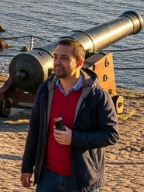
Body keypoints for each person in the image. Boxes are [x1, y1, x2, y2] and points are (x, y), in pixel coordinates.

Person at [20, 38, 119, 192]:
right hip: (47, 177)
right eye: (55, 57)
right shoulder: (45, 90)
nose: (57, 62)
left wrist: (74, 138)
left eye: (64, 58)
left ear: (79, 63)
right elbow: (35, 129)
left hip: (81, 179)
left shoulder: (97, 96)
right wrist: (27, 167)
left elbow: (111, 134)